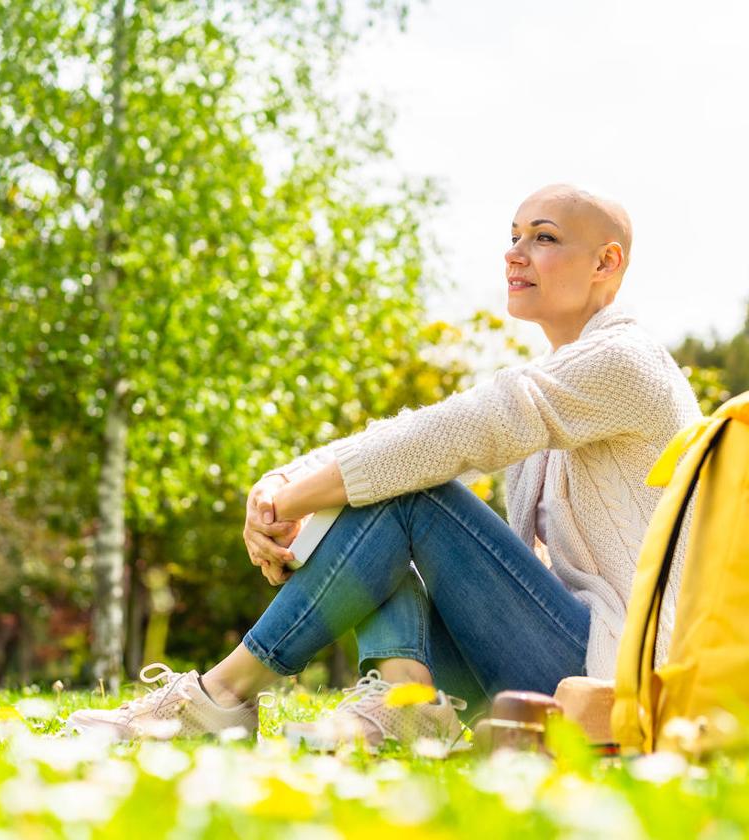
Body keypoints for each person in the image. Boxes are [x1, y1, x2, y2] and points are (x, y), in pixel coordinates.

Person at [69, 184, 703, 749]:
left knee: (409, 492)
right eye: (512, 236)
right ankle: (407, 700)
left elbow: (466, 427)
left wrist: (298, 493)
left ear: (606, 262)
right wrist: (283, 483)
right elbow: (411, 440)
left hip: (610, 678)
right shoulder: (567, 375)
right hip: (546, 669)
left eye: (543, 239)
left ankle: (217, 697)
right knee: (389, 486)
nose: (515, 253)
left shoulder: (626, 362)